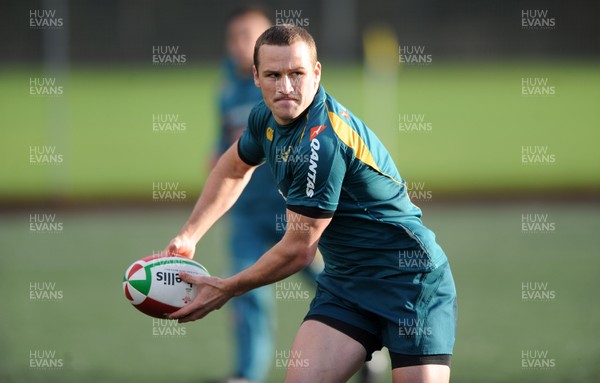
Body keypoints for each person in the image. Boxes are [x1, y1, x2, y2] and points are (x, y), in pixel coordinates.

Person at [167, 24, 457, 383]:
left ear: (316, 73)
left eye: (297, 74)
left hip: (410, 284)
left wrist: (228, 288)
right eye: (273, 75)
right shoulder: (264, 117)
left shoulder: (322, 141)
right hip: (346, 286)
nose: (285, 87)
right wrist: (190, 235)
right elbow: (234, 166)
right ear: (256, 76)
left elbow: (298, 251)